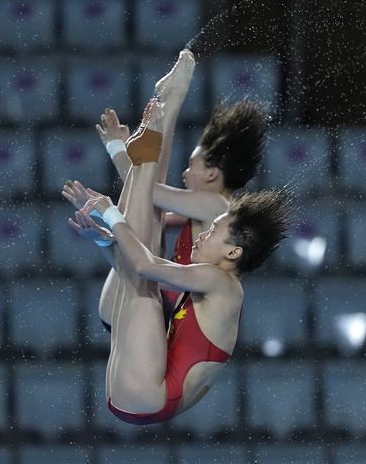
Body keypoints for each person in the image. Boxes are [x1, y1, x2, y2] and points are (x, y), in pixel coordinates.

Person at [68, 98, 290, 424]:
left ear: (233, 252)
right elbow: (143, 236)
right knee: (140, 250)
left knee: (141, 264)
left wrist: (112, 203)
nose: (203, 234)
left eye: (214, 231)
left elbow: (144, 258)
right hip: (142, 390)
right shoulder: (214, 276)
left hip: (150, 390)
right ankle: (162, 119)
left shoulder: (220, 279)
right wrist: (102, 236)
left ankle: (166, 115)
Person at [62, 50, 269, 328]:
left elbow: (148, 191)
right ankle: (170, 102)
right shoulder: (210, 216)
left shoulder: (218, 207)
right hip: (146, 305)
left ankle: (171, 101)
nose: (184, 173)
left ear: (211, 173)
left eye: (191, 165)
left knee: (149, 200)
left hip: (146, 306)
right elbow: (146, 207)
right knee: (150, 215)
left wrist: (118, 151)